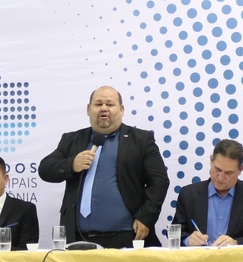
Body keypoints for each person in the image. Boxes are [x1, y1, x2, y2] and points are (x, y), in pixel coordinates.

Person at [38, 86, 168, 249]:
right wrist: (71, 164)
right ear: (88, 109)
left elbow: (159, 181)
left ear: (121, 109)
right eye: (98, 104)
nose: (104, 108)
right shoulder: (72, 140)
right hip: (78, 238)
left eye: (110, 104)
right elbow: (45, 169)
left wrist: (146, 217)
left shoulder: (141, 140)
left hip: (126, 237)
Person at [172, 139, 243, 246]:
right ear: (211, 160)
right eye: (217, 169)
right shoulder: (188, 194)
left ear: (240, 169)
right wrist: (188, 240)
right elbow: (174, 233)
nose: (221, 177)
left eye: (228, 173)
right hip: (198, 261)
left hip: (238, 261)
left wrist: (237, 243)